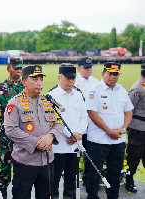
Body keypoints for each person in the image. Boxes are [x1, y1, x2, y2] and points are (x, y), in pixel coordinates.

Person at [4, 65, 64, 199]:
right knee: (21, 195)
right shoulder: (15, 103)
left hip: (48, 161)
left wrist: (50, 136)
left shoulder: (48, 101)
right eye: (35, 79)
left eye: (41, 79)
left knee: (46, 195)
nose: (39, 82)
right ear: (24, 81)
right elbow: (11, 130)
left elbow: (59, 123)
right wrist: (37, 142)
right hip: (25, 162)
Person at [85, 62, 133, 199]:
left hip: (118, 139)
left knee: (115, 171)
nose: (113, 77)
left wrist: (123, 129)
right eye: (110, 73)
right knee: (94, 172)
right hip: (98, 140)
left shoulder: (122, 90)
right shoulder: (95, 90)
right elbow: (92, 113)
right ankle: (92, 196)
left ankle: (113, 196)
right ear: (103, 74)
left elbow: (128, 112)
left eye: (116, 74)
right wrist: (109, 131)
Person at [48, 64, 88, 199]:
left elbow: (84, 117)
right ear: (59, 77)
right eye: (67, 78)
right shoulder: (51, 96)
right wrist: (70, 134)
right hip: (58, 147)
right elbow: (52, 120)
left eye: (73, 78)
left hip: (74, 146)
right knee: (53, 181)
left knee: (71, 182)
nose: (71, 81)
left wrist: (78, 135)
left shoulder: (78, 94)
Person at [0, 57, 24, 198]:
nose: (19, 71)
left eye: (20, 68)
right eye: (16, 68)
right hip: (6, 134)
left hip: (23, 133)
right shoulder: (1, 87)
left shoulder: (26, 86)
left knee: (21, 167)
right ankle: (3, 194)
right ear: (8, 69)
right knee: (5, 165)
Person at [74, 57, 100, 185]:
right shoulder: (73, 81)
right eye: (86, 67)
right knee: (76, 152)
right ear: (79, 68)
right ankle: (74, 177)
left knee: (90, 153)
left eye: (90, 67)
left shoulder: (96, 82)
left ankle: (87, 178)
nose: (89, 70)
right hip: (78, 124)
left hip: (92, 124)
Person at [125, 63, 145, 192]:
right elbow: (128, 109)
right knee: (134, 155)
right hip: (137, 128)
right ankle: (129, 179)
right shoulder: (137, 89)